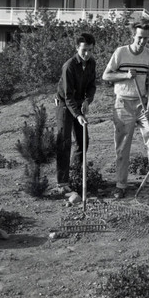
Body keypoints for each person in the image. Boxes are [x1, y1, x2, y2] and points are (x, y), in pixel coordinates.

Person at [102, 17, 149, 198]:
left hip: (143, 103)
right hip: (123, 103)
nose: (142, 42)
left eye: (145, 38)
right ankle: (121, 184)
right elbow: (106, 76)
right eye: (139, 38)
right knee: (122, 146)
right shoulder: (121, 53)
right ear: (133, 35)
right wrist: (125, 75)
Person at [55, 33, 96, 185]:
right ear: (77, 48)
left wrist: (87, 100)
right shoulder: (69, 66)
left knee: (82, 141)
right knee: (64, 142)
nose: (87, 54)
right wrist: (78, 115)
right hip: (65, 105)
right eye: (84, 50)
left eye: (90, 50)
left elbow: (92, 86)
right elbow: (67, 95)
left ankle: (75, 176)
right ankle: (62, 183)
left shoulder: (92, 63)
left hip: (79, 103)